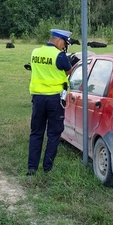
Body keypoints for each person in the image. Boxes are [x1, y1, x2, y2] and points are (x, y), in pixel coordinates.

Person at [27, 29, 73, 175]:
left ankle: (32, 168)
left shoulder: (35, 52)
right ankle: (47, 167)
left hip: (38, 98)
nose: (64, 46)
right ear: (59, 41)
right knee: (54, 133)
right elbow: (68, 71)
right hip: (54, 99)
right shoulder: (59, 55)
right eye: (64, 43)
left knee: (36, 133)